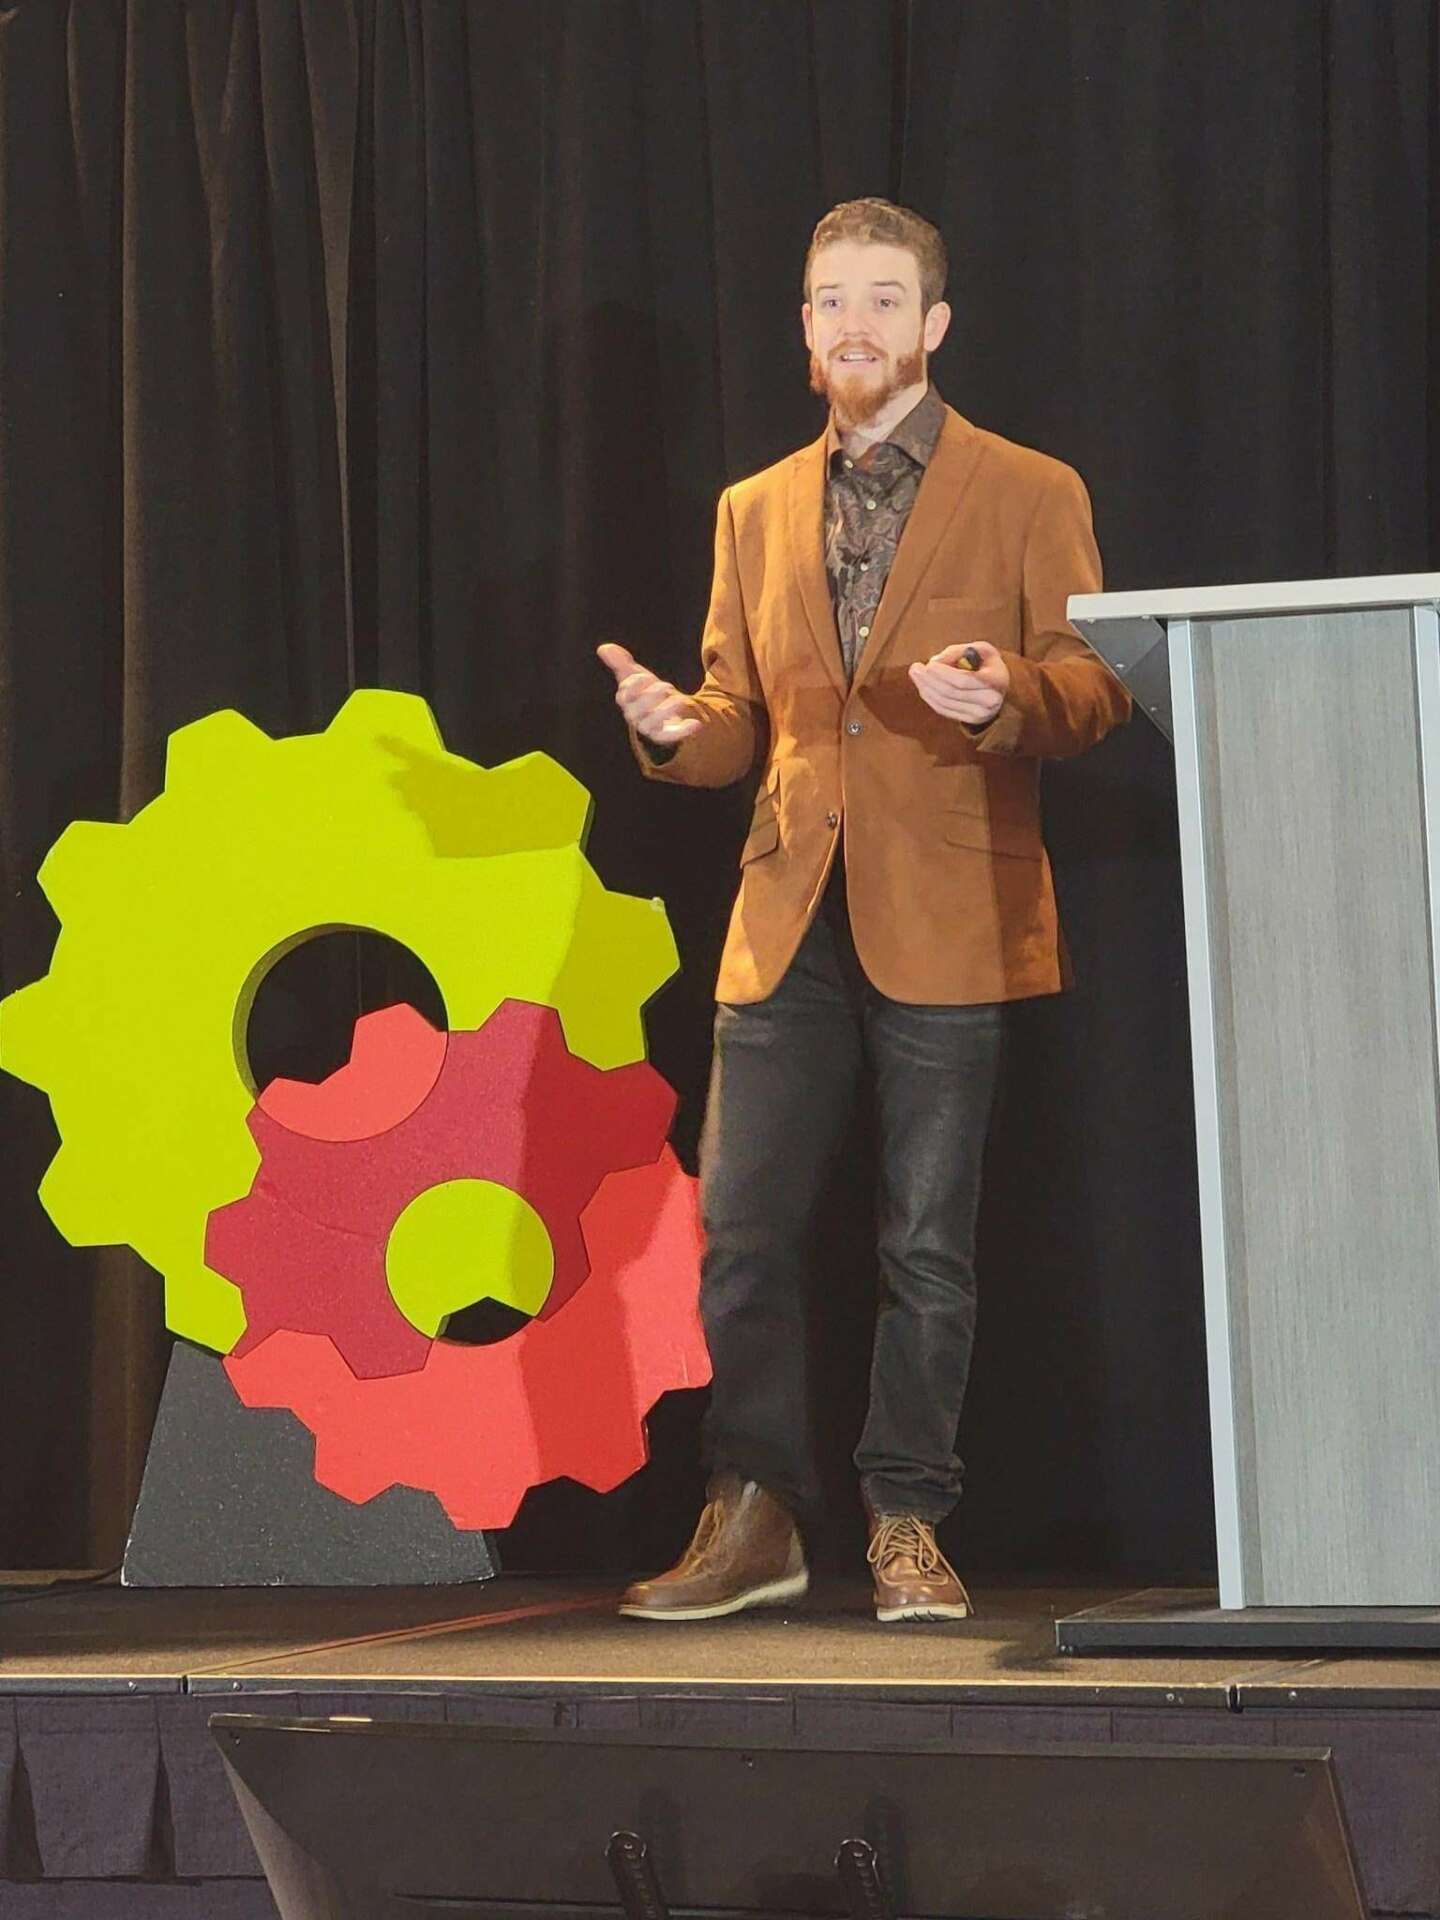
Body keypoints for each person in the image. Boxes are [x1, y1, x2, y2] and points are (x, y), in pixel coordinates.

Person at [597, 198, 1130, 1625]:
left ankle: (908, 1516)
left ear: (934, 325)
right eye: (832, 300)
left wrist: (1008, 691)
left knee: (924, 1246)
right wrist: (675, 729)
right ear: (804, 328)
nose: (856, 324)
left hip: (952, 904)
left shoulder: (1028, 487)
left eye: (885, 299)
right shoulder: (755, 506)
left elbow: (1095, 683)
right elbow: (736, 717)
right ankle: (754, 1514)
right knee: (742, 1232)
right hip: (788, 913)